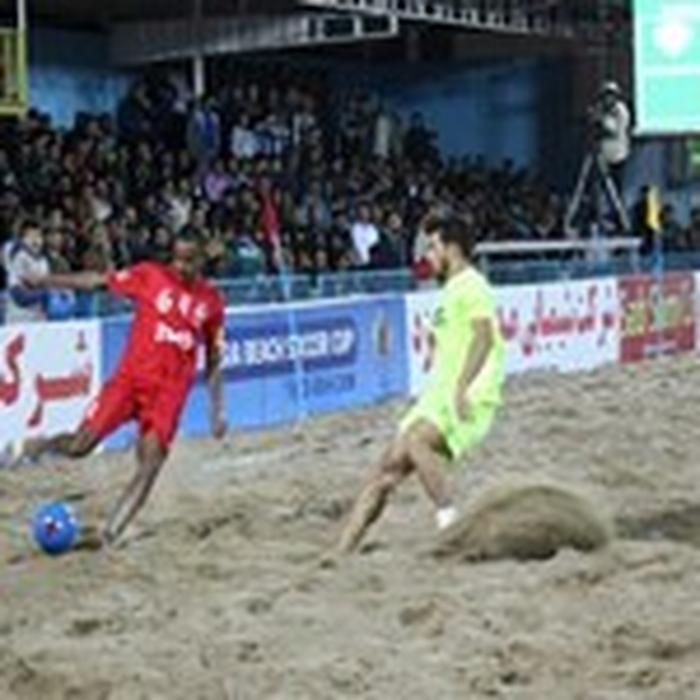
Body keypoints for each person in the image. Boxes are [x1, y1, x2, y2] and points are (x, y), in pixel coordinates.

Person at [13, 232, 227, 549]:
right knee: (80, 445)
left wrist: (217, 408)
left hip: (167, 397)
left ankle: (109, 535)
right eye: (176, 258)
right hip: (129, 382)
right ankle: (40, 445)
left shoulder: (212, 302)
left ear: (201, 259)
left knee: (150, 463)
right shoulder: (150, 275)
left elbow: (214, 358)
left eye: (188, 260)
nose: (180, 266)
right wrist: (46, 281)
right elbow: (98, 281)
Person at [338, 211, 505, 553]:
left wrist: (462, 387)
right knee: (383, 472)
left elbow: (484, 338)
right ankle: (341, 551)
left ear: (452, 248)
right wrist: (433, 347)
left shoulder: (473, 285)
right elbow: (448, 334)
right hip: (437, 398)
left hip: (470, 396)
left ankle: (450, 521)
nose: (427, 255)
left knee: (417, 441)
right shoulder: (451, 289)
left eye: (432, 247)